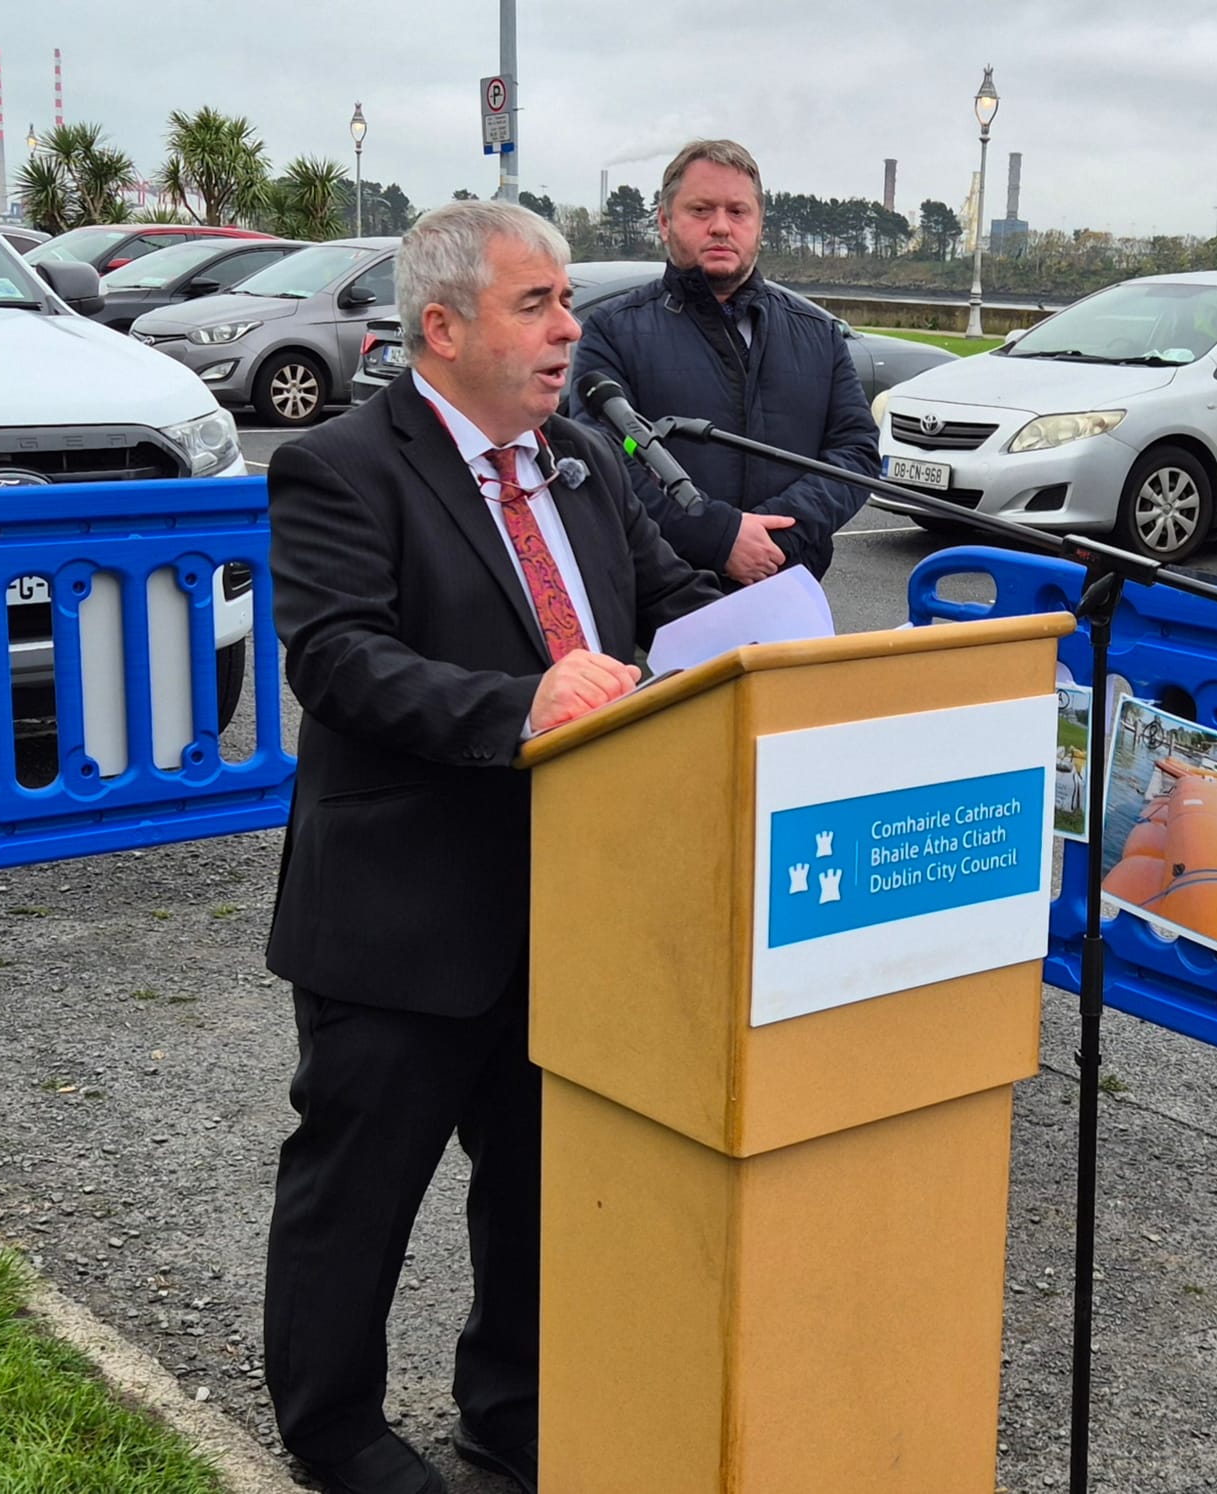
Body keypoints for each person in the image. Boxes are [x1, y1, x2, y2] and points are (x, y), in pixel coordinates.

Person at [261, 201, 719, 1494]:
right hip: (404, 913)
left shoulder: (579, 455)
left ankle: (510, 1416)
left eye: (569, 300)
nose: (571, 326)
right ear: (445, 323)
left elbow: (664, 603)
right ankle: (333, 1429)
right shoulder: (343, 466)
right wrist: (518, 705)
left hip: (572, 903)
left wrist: (763, 643)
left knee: (533, 1188)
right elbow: (339, 657)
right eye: (538, 304)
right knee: (357, 1193)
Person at [568, 139, 878, 588]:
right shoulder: (612, 332)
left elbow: (856, 455)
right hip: (660, 607)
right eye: (700, 210)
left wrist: (771, 537)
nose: (720, 227)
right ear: (664, 221)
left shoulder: (818, 333)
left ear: (759, 225)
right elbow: (609, 459)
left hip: (788, 592)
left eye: (737, 212)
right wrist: (719, 537)